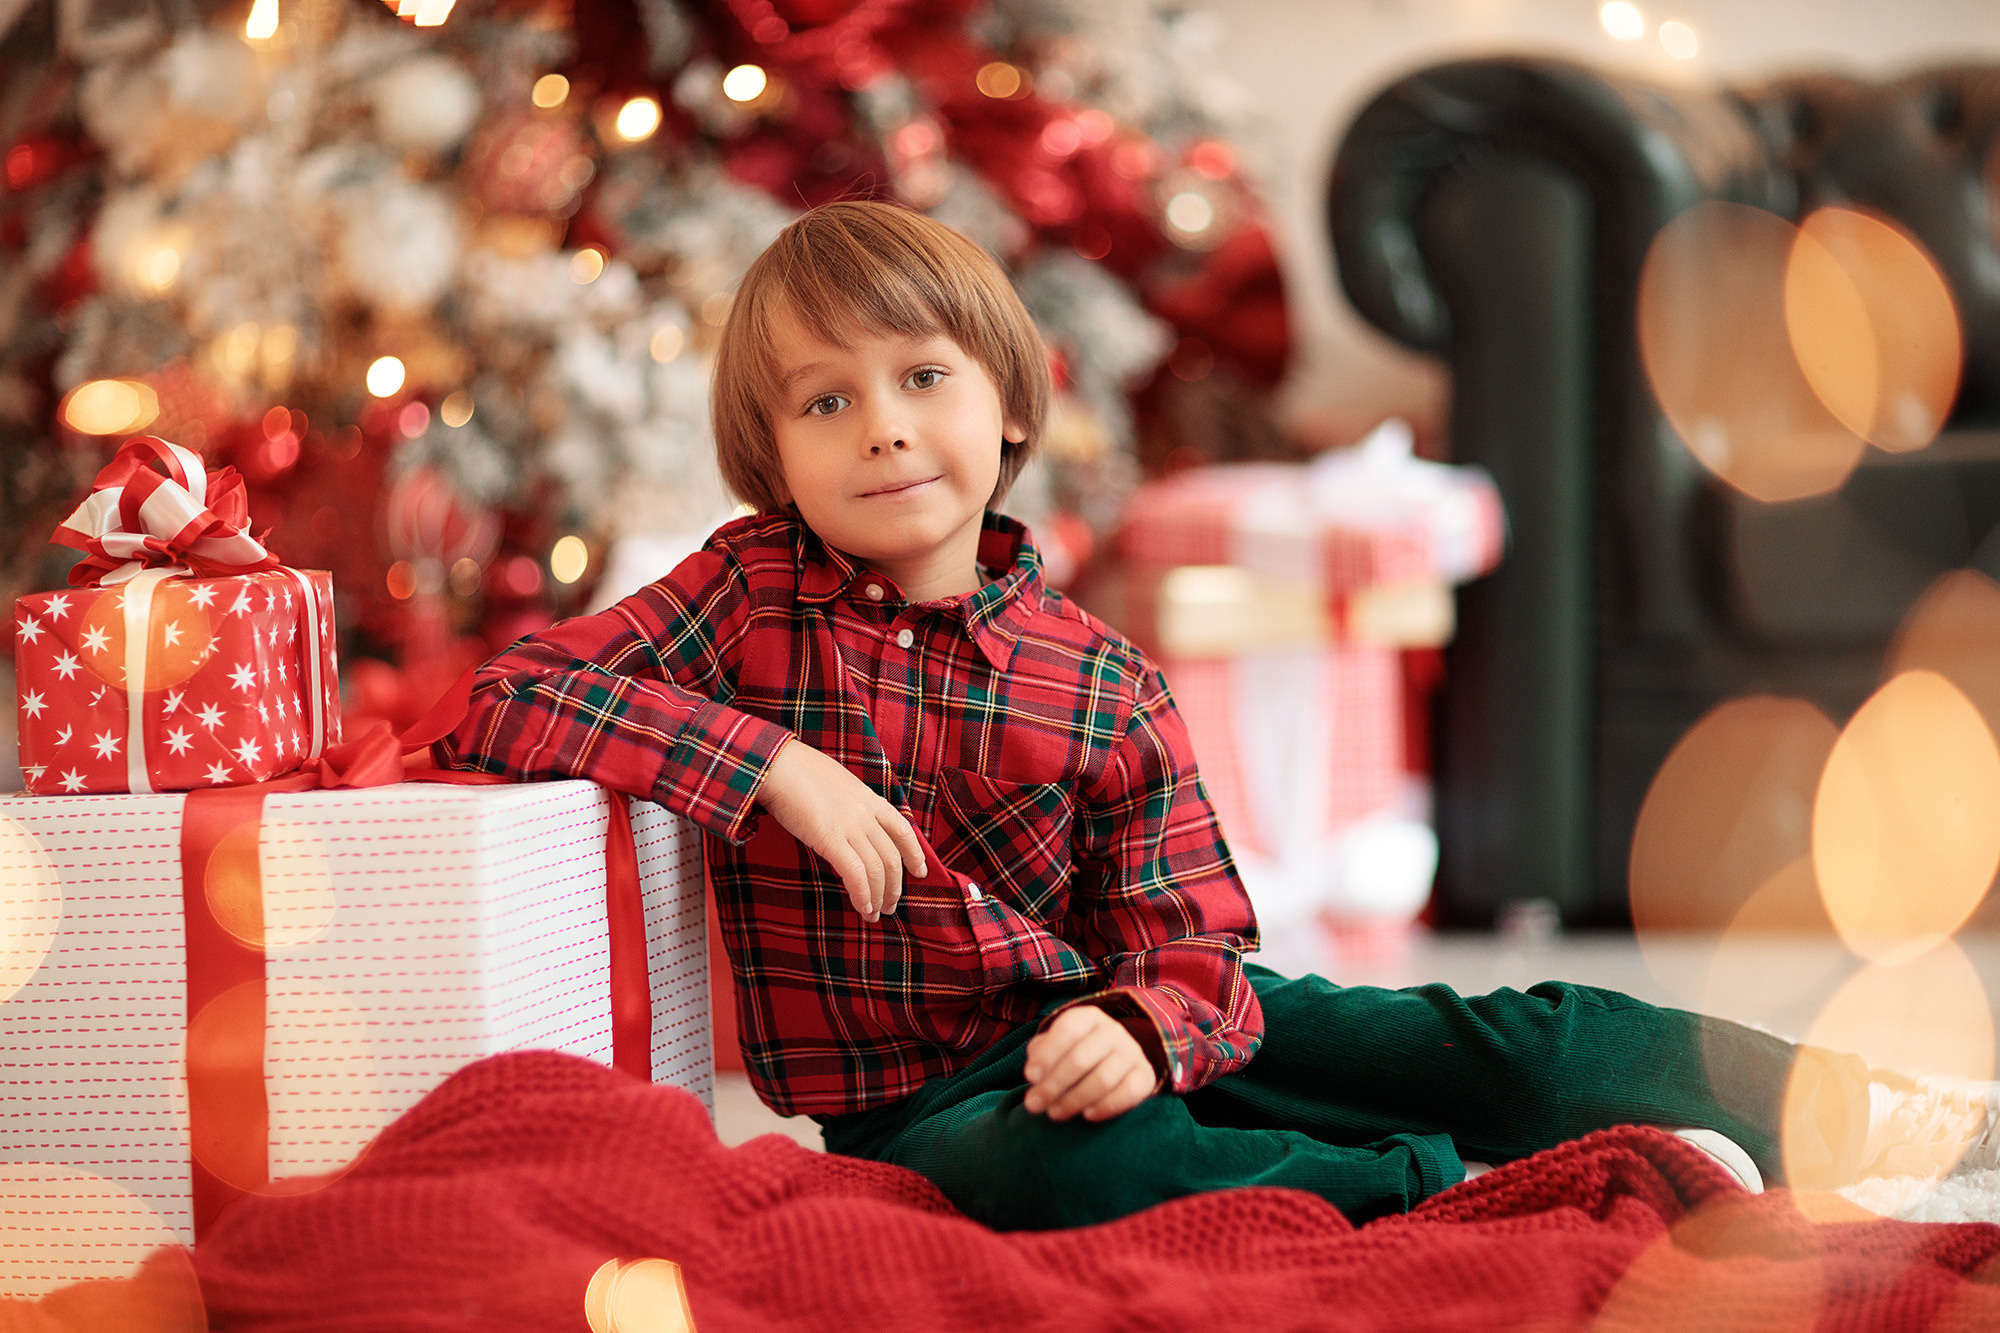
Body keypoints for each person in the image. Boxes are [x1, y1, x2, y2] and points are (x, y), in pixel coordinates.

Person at [438, 199, 1998, 1230]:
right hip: (929, 1103)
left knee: (1480, 1030)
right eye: (825, 401)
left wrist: (1139, 1021)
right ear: (770, 455)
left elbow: (1193, 932)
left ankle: (1867, 1109)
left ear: (1010, 404)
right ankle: (1478, 1192)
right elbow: (506, 693)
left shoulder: (1102, 677)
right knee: (1082, 1170)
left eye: (919, 375)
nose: (886, 428)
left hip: (1124, 1014)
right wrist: (768, 762)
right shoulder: (743, 597)